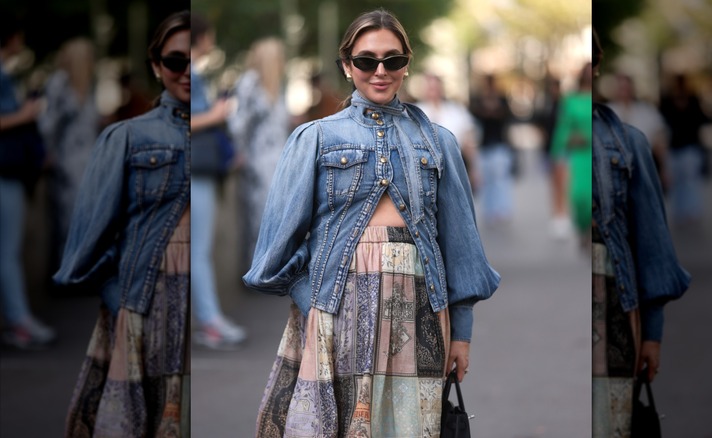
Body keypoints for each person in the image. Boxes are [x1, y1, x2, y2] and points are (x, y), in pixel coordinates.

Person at [245, 9, 500, 437]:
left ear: (406, 64)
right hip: (335, 314)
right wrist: (316, 304)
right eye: (366, 61)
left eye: (392, 60)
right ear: (347, 66)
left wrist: (463, 333)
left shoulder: (439, 142)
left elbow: (461, 247)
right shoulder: (315, 138)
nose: (380, 71)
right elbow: (276, 248)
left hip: (421, 315)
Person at [54, 11, 191, 436]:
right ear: (156, 66)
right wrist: (125, 303)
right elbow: (85, 248)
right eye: (175, 61)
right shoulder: (127, 137)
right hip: (144, 306)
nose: (188, 72)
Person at [592, 31, 691, 437]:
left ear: (596, 65)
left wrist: (653, 333)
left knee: (612, 423)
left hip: (616, 308)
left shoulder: (627, 143)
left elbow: (652, 244)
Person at [190, 13, 246, 349]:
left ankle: (210, 318)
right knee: (198, 250)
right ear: (201, 37)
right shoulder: (188, 74)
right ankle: (210, 321)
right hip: (196, 170)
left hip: (196, 170)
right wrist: (217, 113)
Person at [0, 12, 56, 349]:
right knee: (8, 251)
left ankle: (18, 318)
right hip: (5, 171)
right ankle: (19, 320)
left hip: (9, 171)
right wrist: (25, 114)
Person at [38, 37, 101, 277]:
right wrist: (47, 153)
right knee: (68, 218)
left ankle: (78, 271)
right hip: (67, 161)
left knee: (85, 216)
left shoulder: (87, 83)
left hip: (87, 160)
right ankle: (66, 273)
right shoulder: (60, 83)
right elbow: (48, 124)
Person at [227, 37, 291, 271]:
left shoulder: (276, 85)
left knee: (275, 217)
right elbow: (237, 125)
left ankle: (269, 269)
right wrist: (241, 153)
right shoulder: (250, 83)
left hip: (278, 161)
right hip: (257, 162)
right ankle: (257, 271)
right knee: (259, 218)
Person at [550, 63, 593, 247]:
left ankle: (592, 231)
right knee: (579, 196)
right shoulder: (571, 100)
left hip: (594, 153)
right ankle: (583, 228)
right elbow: (563, 129)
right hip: (578, 155)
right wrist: (559, 151)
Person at [416, 72, 481, 192]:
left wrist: (474, 168)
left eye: (436, 88)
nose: (433, 91)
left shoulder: (456, 111)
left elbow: (468, 142)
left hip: (455, 165)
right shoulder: (415, 112)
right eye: (430, 88)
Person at [660, 73, 709, 225]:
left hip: (690, 146)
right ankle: (679, 211)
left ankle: (692, 211)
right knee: (676, 182)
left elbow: (700, 120)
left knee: (690, 181)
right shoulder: (667, 101)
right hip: (674, 147)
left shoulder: (693, 100)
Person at [469, 73, 514, 225]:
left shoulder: (501, 100)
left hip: (499, 145)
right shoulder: (478, 101)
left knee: (500, 180)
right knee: (486, 181)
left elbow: (506, 117)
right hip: (483, 146)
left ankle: (501, 209)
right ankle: (489, 210)